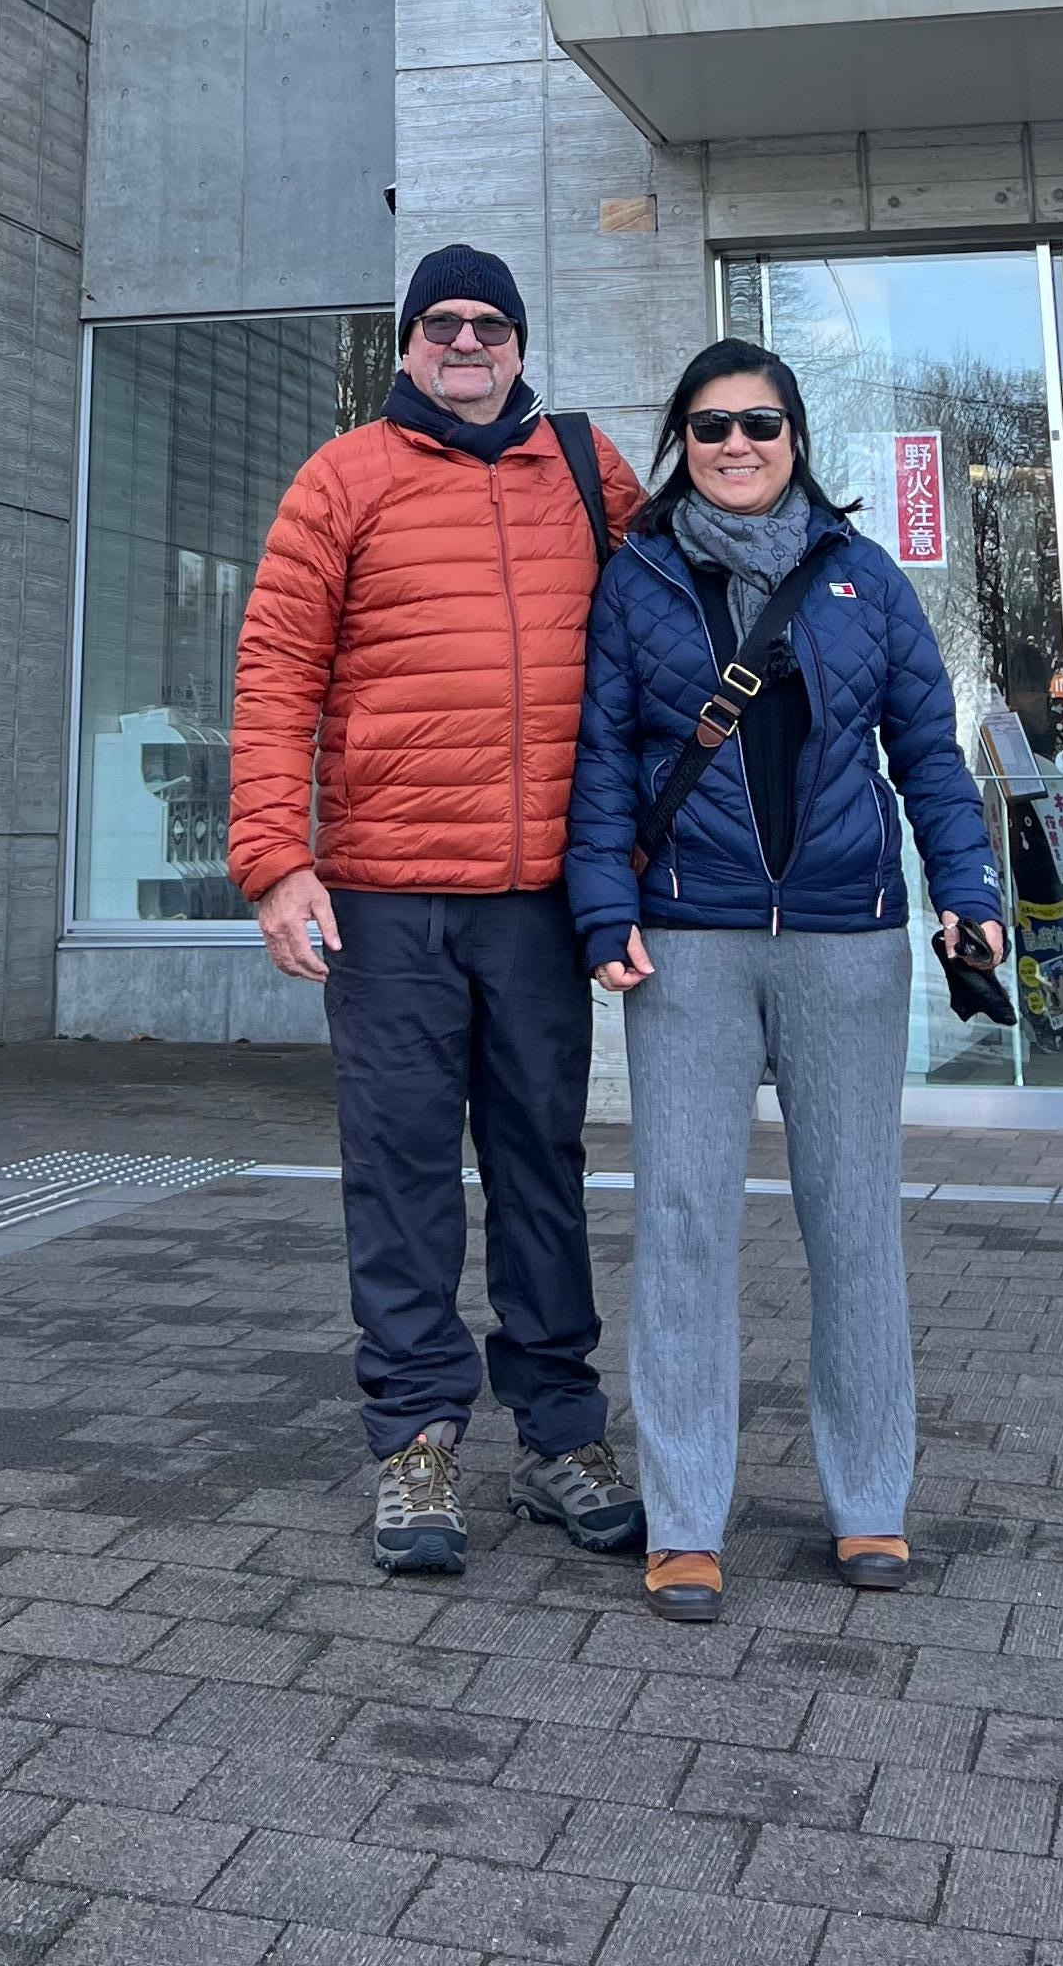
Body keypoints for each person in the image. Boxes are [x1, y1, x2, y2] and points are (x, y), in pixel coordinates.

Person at [565, 340, 1005, 1623]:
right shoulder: (639, 577)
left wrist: (968, 890)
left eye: (759, 423)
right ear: (682, 445)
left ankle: (870, 1501)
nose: (737, 445)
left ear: (796, 437)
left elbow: (928, 753)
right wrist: (602, 910)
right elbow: (601, 758)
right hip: (685, 940)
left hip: (844, 938)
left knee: (854, 1223)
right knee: (683, 1225)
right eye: (710, 426)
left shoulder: (865, 577)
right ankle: (685, 1519)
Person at [230, 244, 647, 1580]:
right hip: (387, 899)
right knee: (402, 1172)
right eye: (442, 323)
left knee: (542, 1170)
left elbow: (672, 627)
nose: (467, 342)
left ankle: (562, 1435)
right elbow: (275, 670)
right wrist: (274, 861)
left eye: (491, 324)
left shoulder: (588, 472)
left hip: (537, 899)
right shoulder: (343, 477)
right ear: (410, 342)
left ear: (520, 344)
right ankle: (416, 1438)